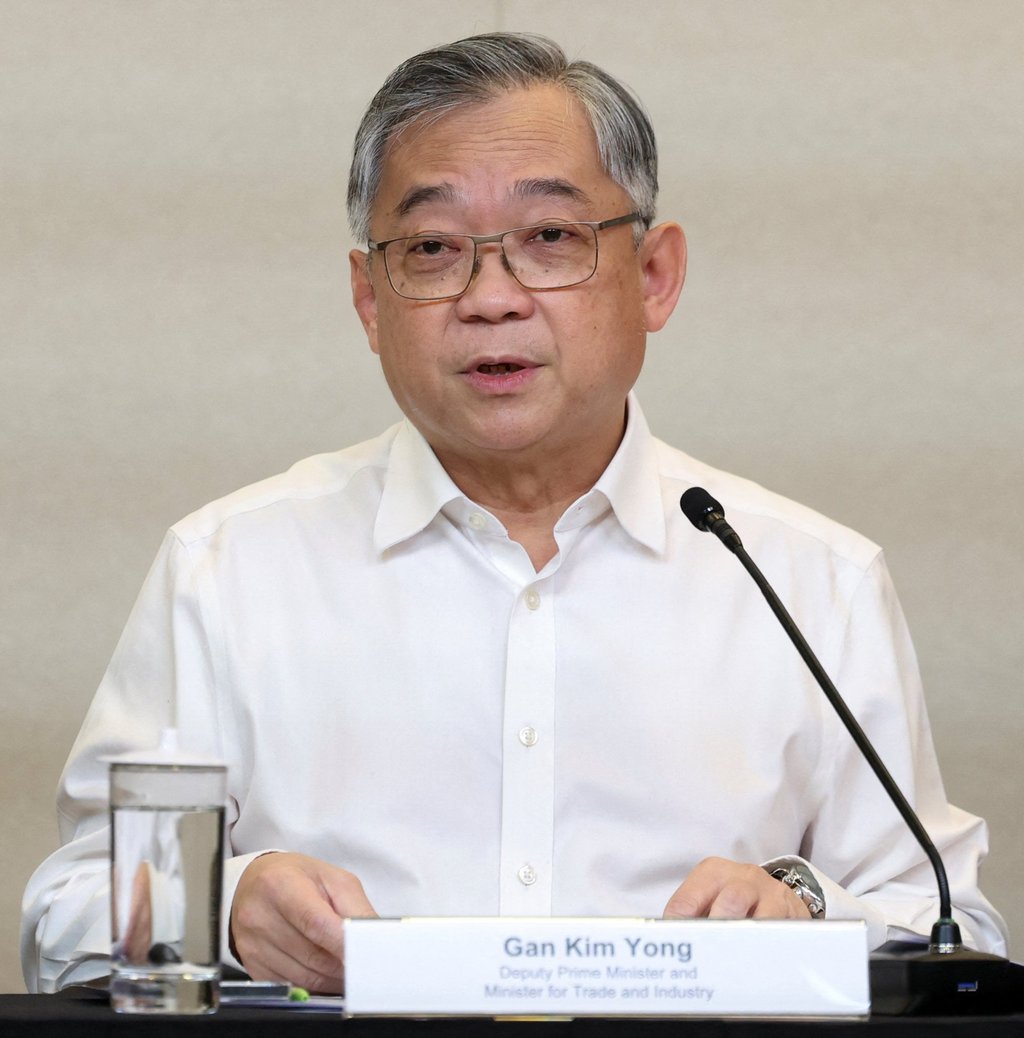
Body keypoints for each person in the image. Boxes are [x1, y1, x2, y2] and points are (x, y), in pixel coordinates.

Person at [22, 32, 1007, 995]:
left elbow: (954, 931)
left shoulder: (810, 579)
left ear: (653, 276)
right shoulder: (231, 565)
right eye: (434, 248)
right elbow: (64, 917)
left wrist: (799, 903)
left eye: (548, 240)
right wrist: (227, 903)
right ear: (370, 299)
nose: (491, 298)